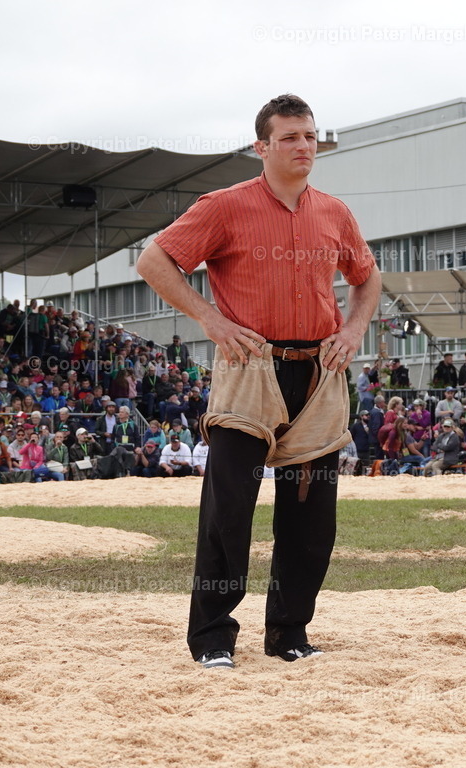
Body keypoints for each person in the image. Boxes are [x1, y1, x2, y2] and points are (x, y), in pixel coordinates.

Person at [136, 94, 381, 670]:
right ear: (262, 146)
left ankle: (288, 633)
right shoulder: (223, 207)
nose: (304, 147)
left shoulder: (335, 213)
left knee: (312, 513)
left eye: (311, 136)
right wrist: (210, 319)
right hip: (249, 366)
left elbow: (366, 279)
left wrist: (354, 329)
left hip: (320, 370)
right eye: (291, 137)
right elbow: (154, 260)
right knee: (230, 508)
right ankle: (214, 638)